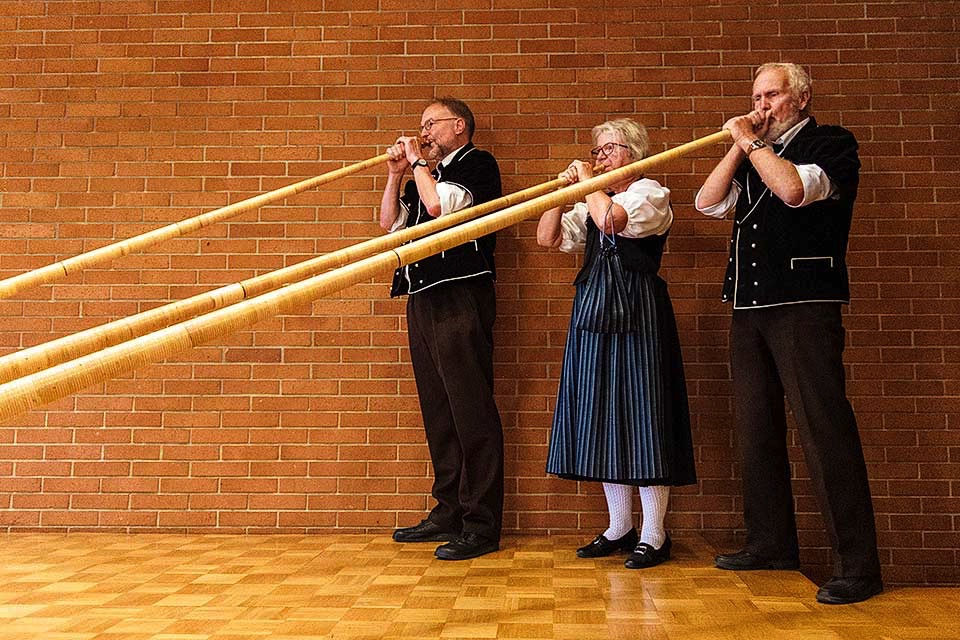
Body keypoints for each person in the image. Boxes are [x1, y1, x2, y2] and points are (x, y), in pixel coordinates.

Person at [695, 62, 882, 604]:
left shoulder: (831, 143)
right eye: (756, 97)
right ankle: (771, 542)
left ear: (800, 98)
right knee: (756, 429)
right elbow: (708, 202)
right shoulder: (756, 150)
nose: (761, 106)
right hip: (749, 307)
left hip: (804, 305)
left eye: (771, 95)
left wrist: (751, 144)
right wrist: (738, 145)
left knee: (824, 431)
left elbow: (794, 190)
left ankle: (858, 566)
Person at [537, 118, 697, 569]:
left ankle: (654, 533)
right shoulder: (593, 198)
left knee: (643, 415)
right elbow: (548, 237)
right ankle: (620, 526)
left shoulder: (650, 193)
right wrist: (560, 194)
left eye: (610, 149)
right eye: (597, 151)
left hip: (638, 312)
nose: (600, 157)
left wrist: (588, 184)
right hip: (593, 311)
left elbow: (613, 221)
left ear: (635, 154)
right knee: (602, 414)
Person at [379, 97, 504, 561]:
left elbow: (437, 208)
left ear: (459, 126)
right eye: (422, 126)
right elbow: (389, 225)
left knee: (471, 410)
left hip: (460, 297)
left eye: (431, 124)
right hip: (423, 298)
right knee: (439, 412)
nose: (424, 132)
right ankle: (449, 510)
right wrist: (395, 175)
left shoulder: (477, 164)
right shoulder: (423, 175)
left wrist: (416, 163)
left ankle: (482, 524)